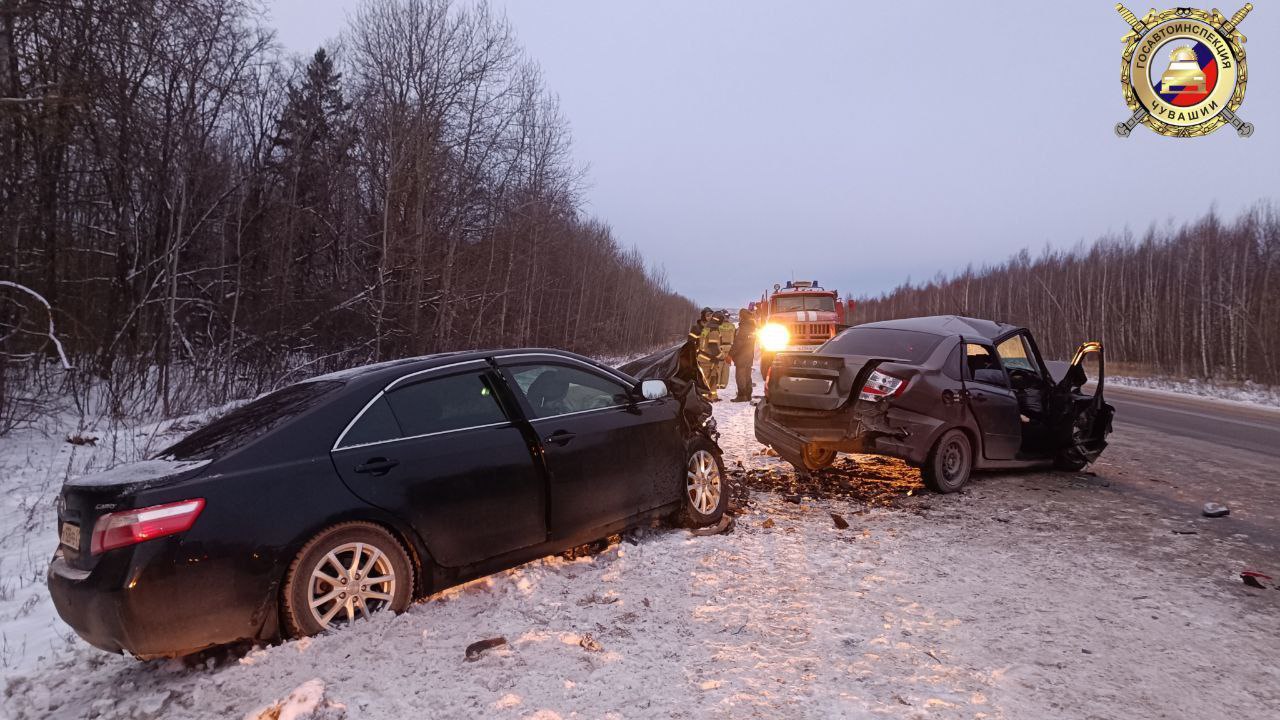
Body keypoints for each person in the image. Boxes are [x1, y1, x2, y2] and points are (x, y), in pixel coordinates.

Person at [692, 308, 725, 400]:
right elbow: (713, 346)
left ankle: (713, 396)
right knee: (706, 379)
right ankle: (704, 398)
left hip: (705, 357)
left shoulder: (707, 327)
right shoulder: (713, 329)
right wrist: (720, 356)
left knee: (713, 377)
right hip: (708, 359)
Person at [730, 308, 756, 401]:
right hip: (749, 355)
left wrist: (730, 354)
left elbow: (738, 343)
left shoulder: (743, 328)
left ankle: (741, 396)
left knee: (740, 376)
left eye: (740, 315)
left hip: (741, 356)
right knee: (747, 376)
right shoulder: (753, 327)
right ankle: (748, 395)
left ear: (742, 316)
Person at [715, 310, 736, 391]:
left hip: (720, 347)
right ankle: (723, 384)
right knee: (726, 366)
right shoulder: (732, 326)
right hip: (729, 348)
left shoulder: (718, 326)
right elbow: (734, 337)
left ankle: (717, 384)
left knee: (718, 366)